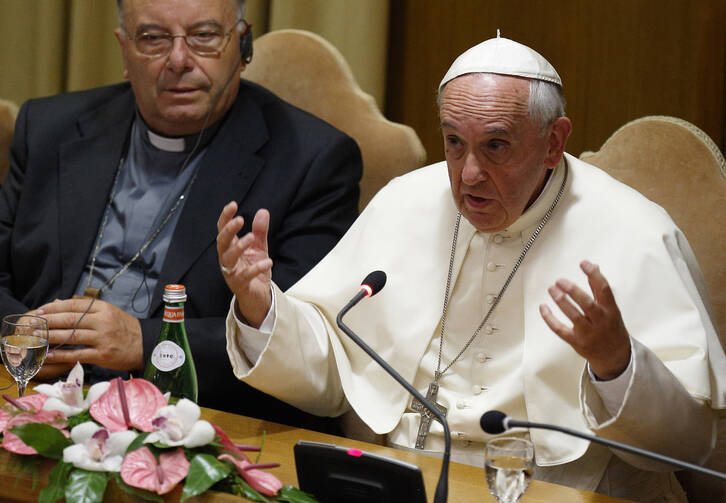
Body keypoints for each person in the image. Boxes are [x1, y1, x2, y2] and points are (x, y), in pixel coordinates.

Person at [218, 35, 726, 502]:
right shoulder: (406, 202)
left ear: (554, 141)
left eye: (497, 145)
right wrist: (263, 307)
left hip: (562, 490)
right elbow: (333, 369)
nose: (469, 175)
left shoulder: (634, 231)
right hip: (400, 480)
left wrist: (617, 363)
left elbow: (686, 444)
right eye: (454, 142)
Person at [0, 0, 362, 432]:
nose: (178, 60)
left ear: (241, 44)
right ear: (124, 49)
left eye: (204, 37)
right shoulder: (48, 128)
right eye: (152, 38)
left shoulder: (311, 160)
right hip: (31, 391)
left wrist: (142, 342)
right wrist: (21, 333)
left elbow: (304, 347)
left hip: (193, 417)